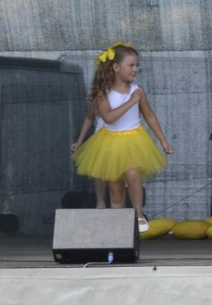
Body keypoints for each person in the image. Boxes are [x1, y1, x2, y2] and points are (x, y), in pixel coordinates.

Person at [72, 42, 172, 233]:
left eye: (136, 65)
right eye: (131, 65)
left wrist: (163, 141)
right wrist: (131, 101)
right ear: (116, 68)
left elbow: (149, 116)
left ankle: (139, 213)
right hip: (110, 142)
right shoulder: (103, 92)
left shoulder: (137, 90)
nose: (135, 69)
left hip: (133, 140)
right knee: (115, 189)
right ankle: (118, 230)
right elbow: (108, 118)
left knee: (133, 173)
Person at [70, 101, 111, 208]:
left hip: (122, 135)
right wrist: (79, 141)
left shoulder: (129, 94)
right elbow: (90, 117)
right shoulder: (101, 95)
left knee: (118, 176)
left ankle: (120, 206)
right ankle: (100, 202)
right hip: (101, 136)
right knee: (99, 171)